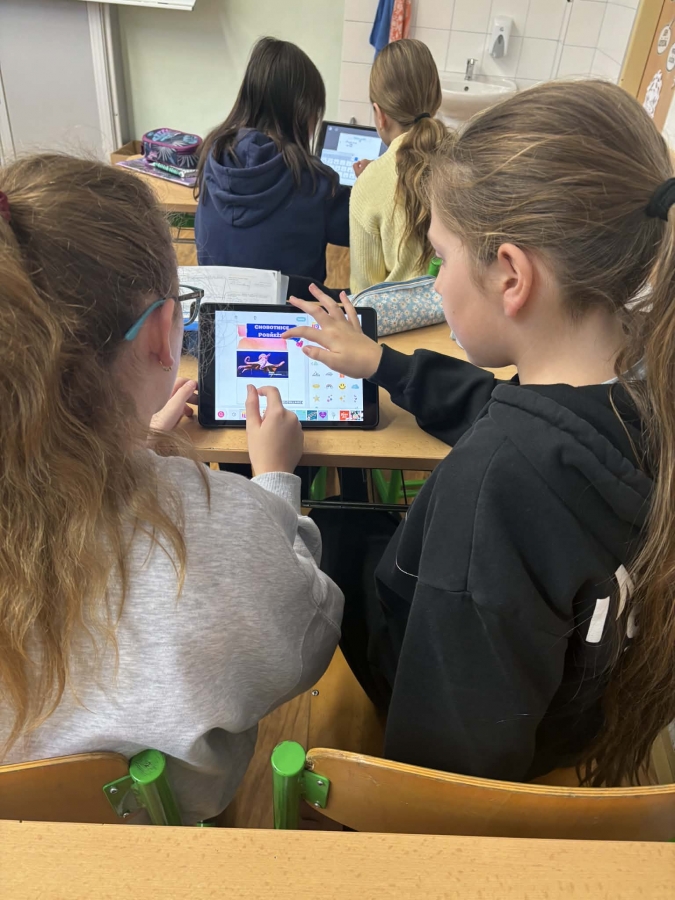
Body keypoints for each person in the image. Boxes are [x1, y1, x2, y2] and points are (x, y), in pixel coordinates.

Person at [283, 79, 675, 788]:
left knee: (331, 534)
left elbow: (447, 768)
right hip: (574, 707)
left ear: (511, 275)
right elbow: (509, 409)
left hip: (493, 742)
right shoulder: (643, 380)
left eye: (441, 258)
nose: (435, 284)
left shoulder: (493, 487)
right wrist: (384, 366)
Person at [0, 154, 343, 824]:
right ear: (164, 333)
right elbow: (311, 634)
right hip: (169, 842)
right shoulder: (212, 526)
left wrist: (131, 448)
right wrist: (273, 482)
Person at [195, 37, 350, 286]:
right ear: (302, 112)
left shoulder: (212, 156)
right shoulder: (312, 181)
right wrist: (371, 183)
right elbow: (362, 229)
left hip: (217, 308)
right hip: (293, 311)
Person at [349, 38, 447, 295]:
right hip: (464, 318)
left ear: (380, 115)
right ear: (436, 100)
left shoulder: (368, 186)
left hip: (393, 322)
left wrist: (372, 181)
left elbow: (365, 295)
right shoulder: (468, 159)